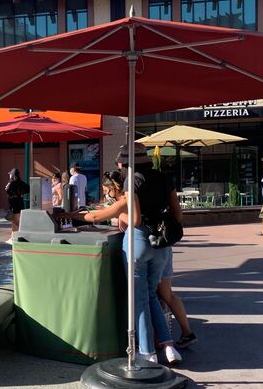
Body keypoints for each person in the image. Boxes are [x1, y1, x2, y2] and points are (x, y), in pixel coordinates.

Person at [66, 143, 183, 366]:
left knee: (138, 299)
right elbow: (177, 212)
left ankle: (147, 353)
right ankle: (169, 347)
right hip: (161, 244)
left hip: (138, 240)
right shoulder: (163, 177)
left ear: (126, 162)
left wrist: (84, 216)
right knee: (151, 294)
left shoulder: (132, 179)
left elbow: (136, 219)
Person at [5, 168, 29, 242]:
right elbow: (28, 188)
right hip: (20, 203)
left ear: (12, 175)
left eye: (10, 174)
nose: (9, 176)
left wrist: (10, 181)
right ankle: (12, 238)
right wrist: (21, 193)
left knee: (16, 222)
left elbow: (6, 189)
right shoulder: (21, 182)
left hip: (14, 204)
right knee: (14, 222)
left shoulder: (11, 182)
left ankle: (23, 235)